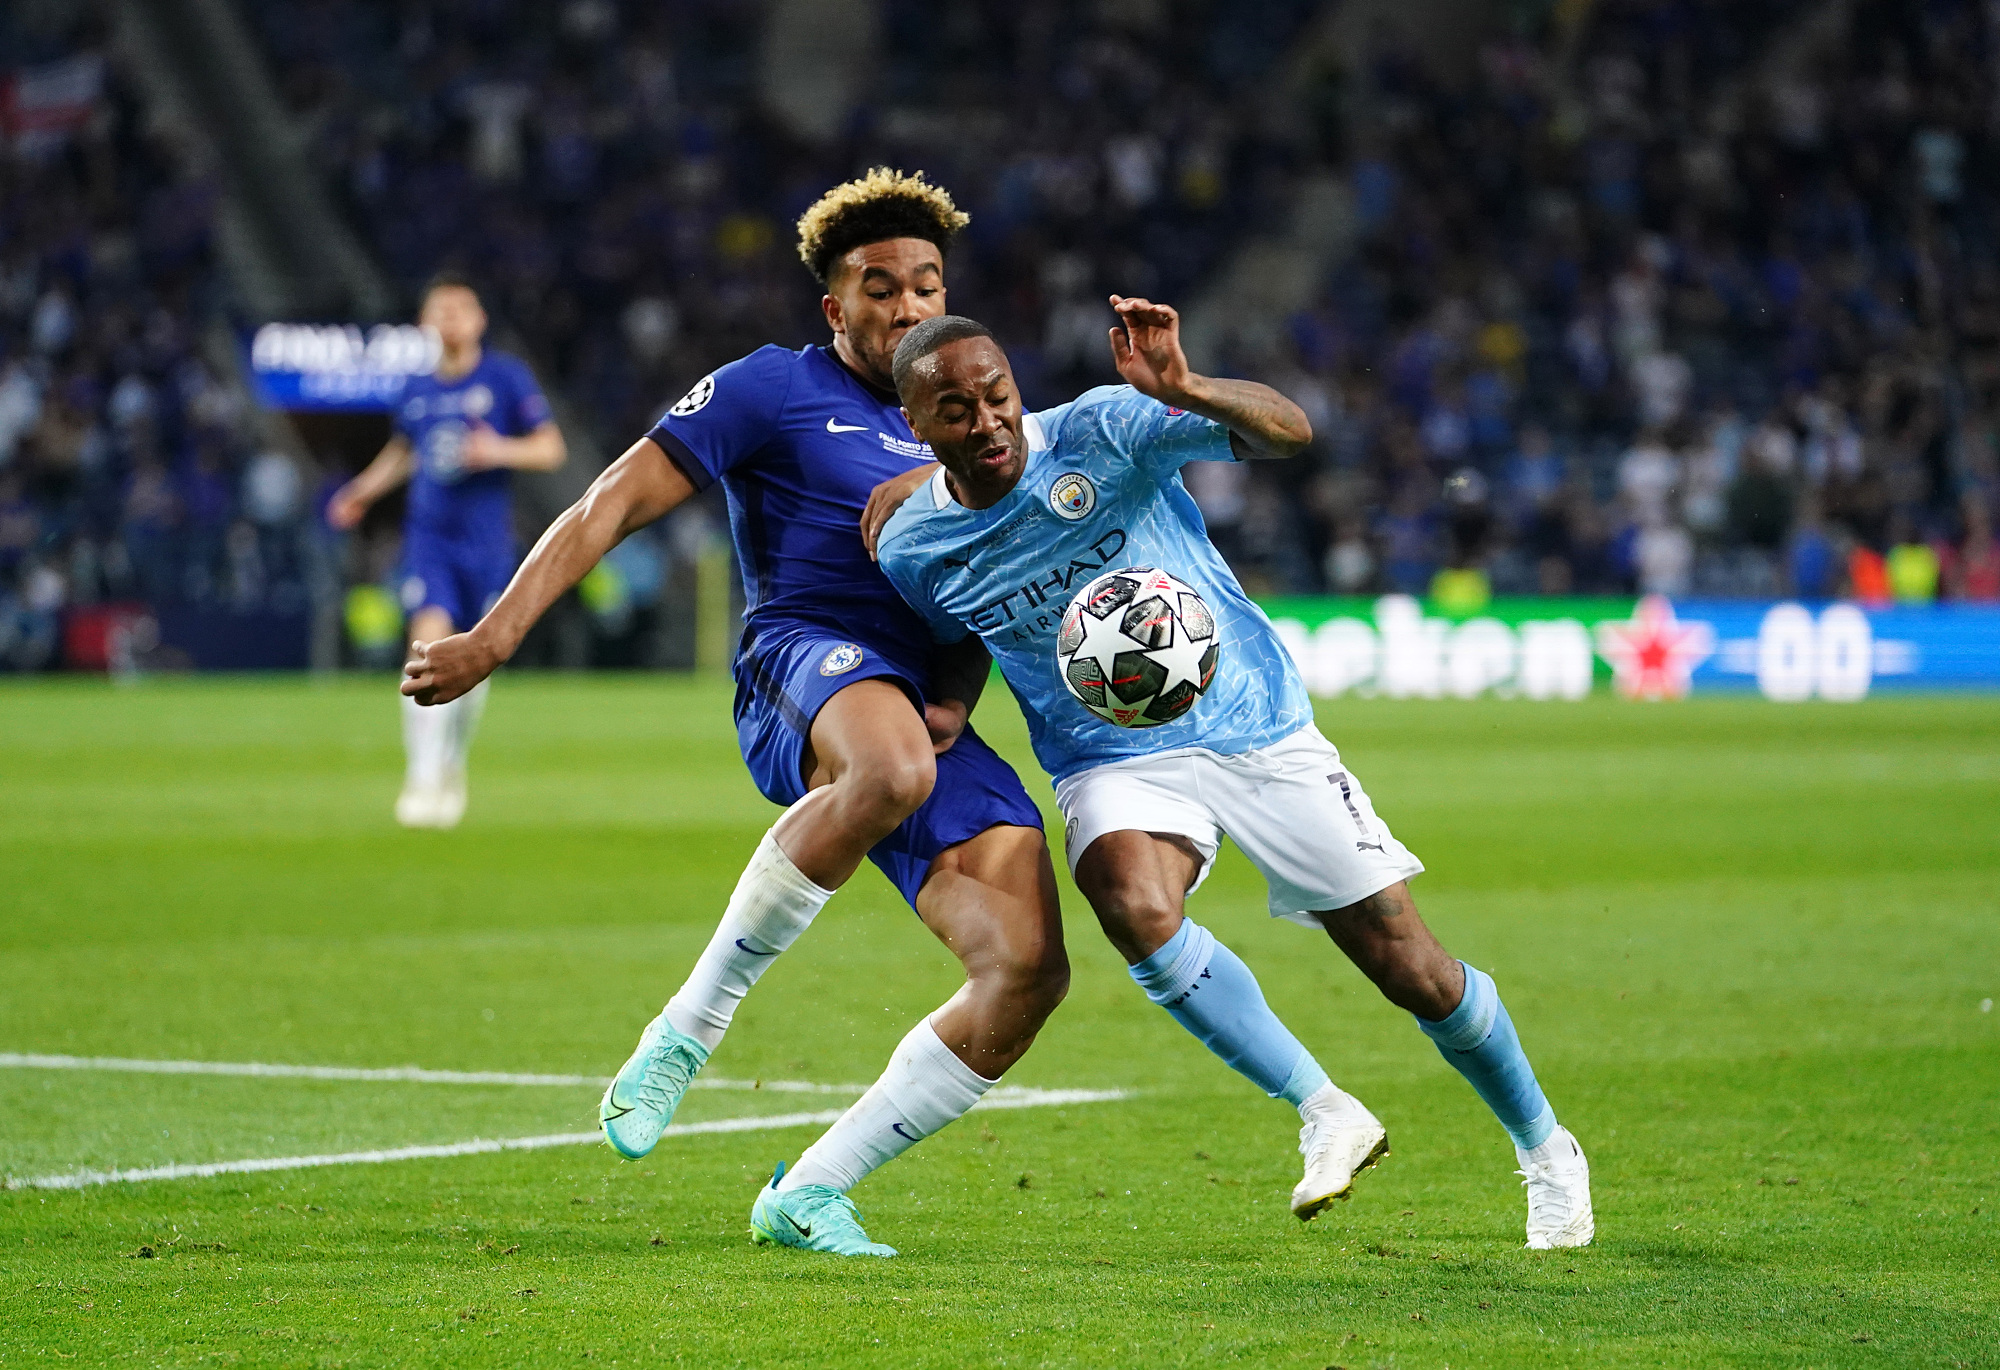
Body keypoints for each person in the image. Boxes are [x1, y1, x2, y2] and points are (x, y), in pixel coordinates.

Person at [398, 170, 1068, 1257]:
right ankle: (688, 1028)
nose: (907, 306)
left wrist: (955, 692)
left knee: (1026, 969)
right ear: (834, 307)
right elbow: (609, 500)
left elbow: (991, 580)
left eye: (926, 284)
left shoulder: (975, 410)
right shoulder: (772, 388)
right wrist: (494, 636)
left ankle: (811, 1189)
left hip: (914, 704)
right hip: (800, 661)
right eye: (880, 287)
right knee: (892, 768)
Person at [874, 303, 1594, 1249]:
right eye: (956, 411)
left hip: (1258, 727)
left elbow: (1289, 433)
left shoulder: (1101, 429)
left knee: (1411, 969)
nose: (987, 421)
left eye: (997, 395)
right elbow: (964, 623)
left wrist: (1186, 387)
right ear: (915, 426)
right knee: (1130, 901)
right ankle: (1324, 1109)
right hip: (1112, 756)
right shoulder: (911, 544)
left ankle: (1546, 1150)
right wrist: (948, 705)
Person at [328, 274, 566, 828]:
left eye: (462, 307)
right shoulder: (418, 389)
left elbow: (550, 449)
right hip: (429, 537)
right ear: (425, 323)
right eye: (441, 309)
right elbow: (404, 451)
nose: (452, 317)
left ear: (480, 320)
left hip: (487, 542)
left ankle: (452, 763)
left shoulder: (505, 378)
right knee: (427, 641)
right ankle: (421, 776)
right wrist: (361, 491)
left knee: (476, 655)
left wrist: (496, 450)